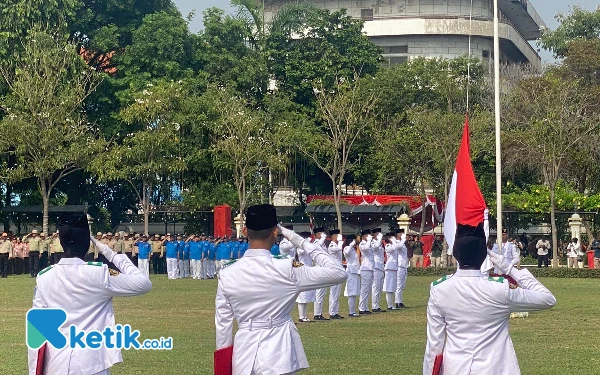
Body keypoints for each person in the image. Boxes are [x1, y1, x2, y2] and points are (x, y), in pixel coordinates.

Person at [215, 204, 347, 375]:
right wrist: (299, 241)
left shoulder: (227, 273)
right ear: (275, 232)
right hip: (279, 354)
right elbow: (338, 272)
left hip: (244, 355)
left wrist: (223, 370)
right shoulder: (287, 268)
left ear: (245, 231)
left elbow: (222, 327)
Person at [423, 223, 556, 375]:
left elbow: (434, 347)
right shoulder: (500, 288)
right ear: (484, 256)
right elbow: (547, 299)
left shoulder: (439, 289)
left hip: (455, 369)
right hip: (495, 368)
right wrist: (511, 269)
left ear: (455, 254)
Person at [28, 213, 152, 375]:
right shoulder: (99, 273)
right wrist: (110, 253)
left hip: (56, 363)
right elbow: (143, 283)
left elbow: (37, 334)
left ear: (61, 242)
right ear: (88, 243)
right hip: (92, 363)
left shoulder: (44, 277)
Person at [296, 232, 316, 323]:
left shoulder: (307, 246)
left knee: (307, 295)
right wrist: (305, 243)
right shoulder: (300, 247)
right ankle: (301, 316)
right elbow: (301, 252)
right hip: (302, 271)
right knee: (302, 295)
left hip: (308, 270)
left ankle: (304, 315)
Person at [312, 228, 330, 321]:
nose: (323, 235)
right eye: (321, 233)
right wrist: (322, 239)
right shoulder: (316, 243)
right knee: (319, 293)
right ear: (317, 235)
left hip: (324, 269)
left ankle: (319, 312)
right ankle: (316, 314)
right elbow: (316, 247)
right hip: (319, 270)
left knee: (322, 293)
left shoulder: (323, 243)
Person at [327, 229, 344, 319]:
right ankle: (332, 312)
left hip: (339, 270)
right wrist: (340, 241)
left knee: (337, 292)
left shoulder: (337, 244)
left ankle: (335, 311)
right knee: (333, 292)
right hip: (334, 271)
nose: (338, 236)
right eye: (337, 235)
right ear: (333, 236)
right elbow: (338, 249)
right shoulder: (332, 245)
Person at [343, 237, 360, 318]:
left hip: (355, 271)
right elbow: (346, 253)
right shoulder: (347, 248)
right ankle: (351, 311)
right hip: (350, 271)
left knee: (354, 292)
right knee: (351, 292)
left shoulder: (353, 249)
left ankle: (353, 311)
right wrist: (350, 245)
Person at [358, 229, 374, 314]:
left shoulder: (369, 244)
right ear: (364, 236)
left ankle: (366, 307)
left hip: (371, 268)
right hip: (365, 268)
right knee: (364, 289)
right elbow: (366, 249)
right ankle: (361, 308)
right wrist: (368, 240)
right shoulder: (362, 244)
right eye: (368, 235)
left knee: (368, 289)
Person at [371, 228, 386, 313]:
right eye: (378, 234)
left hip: (380, 266)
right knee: (375, 287)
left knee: (380, 287)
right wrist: (379, 239)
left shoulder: (380, 244)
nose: (380, 235)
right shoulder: (373, 243)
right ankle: (374, 306)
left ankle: (377, 305)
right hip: (376, 266)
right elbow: (375, 248)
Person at [383, 232, 399, 311]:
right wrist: (393, 241)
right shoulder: (388, 245)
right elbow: (393, 249)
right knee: (389, 287)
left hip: (393, 267)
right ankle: (389, 305)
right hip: (389, 267)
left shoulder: (393, 245)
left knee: (392, 286)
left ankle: (391, 304)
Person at [395, 229, 409, 309]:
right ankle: (397, 302)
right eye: (401, 233)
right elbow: (399, 247)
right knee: (399, 284)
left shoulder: (402, 243)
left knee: (402, 285)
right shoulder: (397, 242)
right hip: (399, 265)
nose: (403, 235)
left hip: (404, 265)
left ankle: (400, 301)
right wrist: (403, 239)